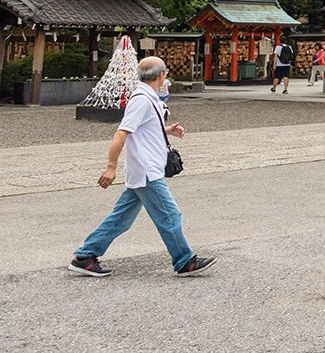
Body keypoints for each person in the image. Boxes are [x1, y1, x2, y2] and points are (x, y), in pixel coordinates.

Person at [68, 57, 215, 277]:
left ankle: (85, 256)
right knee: (169, 215)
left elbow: (143, 128)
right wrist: (110, 166)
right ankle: (184, 260)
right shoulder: (142, 100)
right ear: (161, 75)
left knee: (121, 218)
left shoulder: (148, 97)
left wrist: (166, 130)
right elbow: (121, 133)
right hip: (147, 171)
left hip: (144, 169)